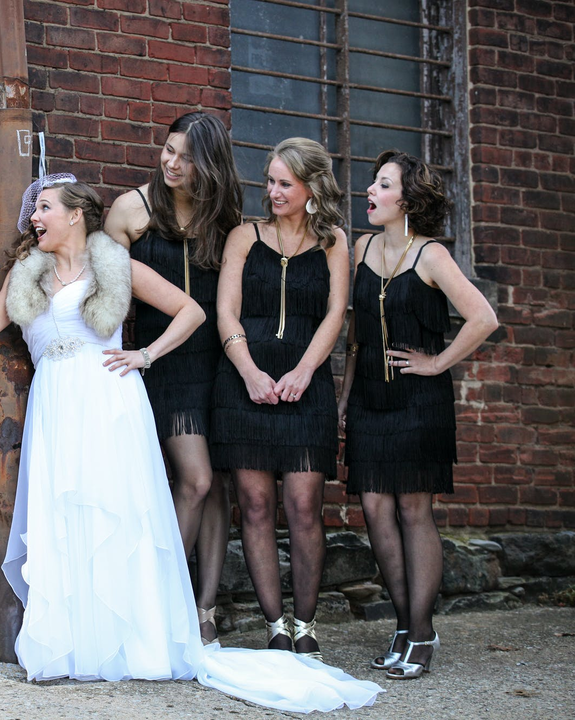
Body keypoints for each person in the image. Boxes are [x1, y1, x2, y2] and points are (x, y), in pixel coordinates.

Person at [0, 175, 207, 681]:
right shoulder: (28, 271)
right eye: (34, 210)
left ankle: (133, 645)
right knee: (62, 513)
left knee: (115, 511)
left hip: (109, 399)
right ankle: (74, 646)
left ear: (75, 214)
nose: (34, 217)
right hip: (55, 403)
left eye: (45, 208)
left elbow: (191, 311)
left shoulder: (112, 265)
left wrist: (146, 354)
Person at [338, 151, 498, 680]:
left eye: (382, 185)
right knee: (375, 511)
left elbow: (483, 317)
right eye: (372, 183)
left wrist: (436, 363)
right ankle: (404, 625)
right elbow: (358, 335)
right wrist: (344, 397)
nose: (370, 191)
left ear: (406, 199)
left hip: (416, 402)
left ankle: (423, 632)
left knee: (412, 511)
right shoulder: (361, 247)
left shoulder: (431, 255)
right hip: (368, 401)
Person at [105, 111, 242, 645]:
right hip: (160, 360)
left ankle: (204, 610)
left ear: (208, 165)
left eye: (185, 156)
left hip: (218, 361)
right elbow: (109, 299)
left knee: (216, 488)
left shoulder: (224, 217)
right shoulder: (130, 211)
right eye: (168, 149)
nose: (171, 162)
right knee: (196, 478)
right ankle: (164, 603)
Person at [209, 138, 349, 661]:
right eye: (269, 181)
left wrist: (305, 371)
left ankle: (307, 623)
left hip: (305, 388)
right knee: (255, 506)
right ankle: (275, 625)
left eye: (284, 183)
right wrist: (248, 372)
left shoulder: (335, 241)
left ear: (312, 187)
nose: (272, 192)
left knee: (305, 505)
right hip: (244, 388)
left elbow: (335, 314)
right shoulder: (244, 238)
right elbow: (227, 312)